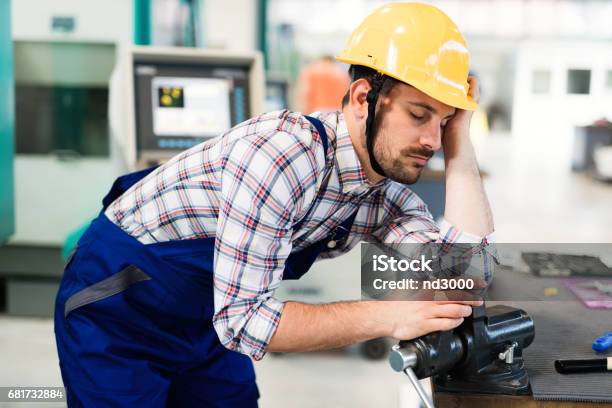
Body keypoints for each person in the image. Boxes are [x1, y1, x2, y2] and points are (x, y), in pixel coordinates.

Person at [54, 3, 495, 407]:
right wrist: (390, 317)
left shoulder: (381, 195)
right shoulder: (280, 157)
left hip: (204, 321)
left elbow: (464, 275)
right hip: (119, 314)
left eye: (443, 122)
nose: (431, 141)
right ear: (364, 99)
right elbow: (245, 323)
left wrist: (461, 146)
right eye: (419, 115)